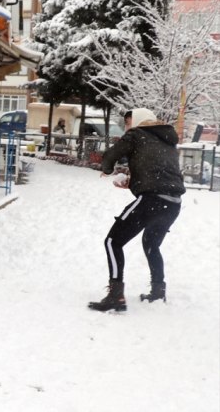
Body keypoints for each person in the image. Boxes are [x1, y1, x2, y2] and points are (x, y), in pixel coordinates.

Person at [88, 108, 185, 311]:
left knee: (112, 242)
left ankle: (116, 295)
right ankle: (158, 291)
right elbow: (160, 173)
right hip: (173, 204)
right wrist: (133, 182)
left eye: (129, 123)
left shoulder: (137, 134)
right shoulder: (167, 141)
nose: (128, 127)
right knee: (151, 244)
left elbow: (110, 156)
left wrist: (106, 169)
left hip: (152, 200)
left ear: (139, 122)